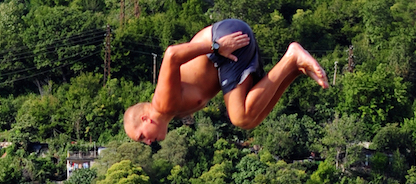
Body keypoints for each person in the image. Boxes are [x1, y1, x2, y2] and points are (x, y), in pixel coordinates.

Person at [124, 19, 329, 145]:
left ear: (145, 119)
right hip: (226, 55)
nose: (148, 142)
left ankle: (292, 57)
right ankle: (294, 68)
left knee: (239, 117)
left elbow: (171, 55)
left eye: (143, 137)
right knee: (250, 120)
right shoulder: (174, 113)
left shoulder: (162, 104)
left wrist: (216, 46)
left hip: (225, 41)